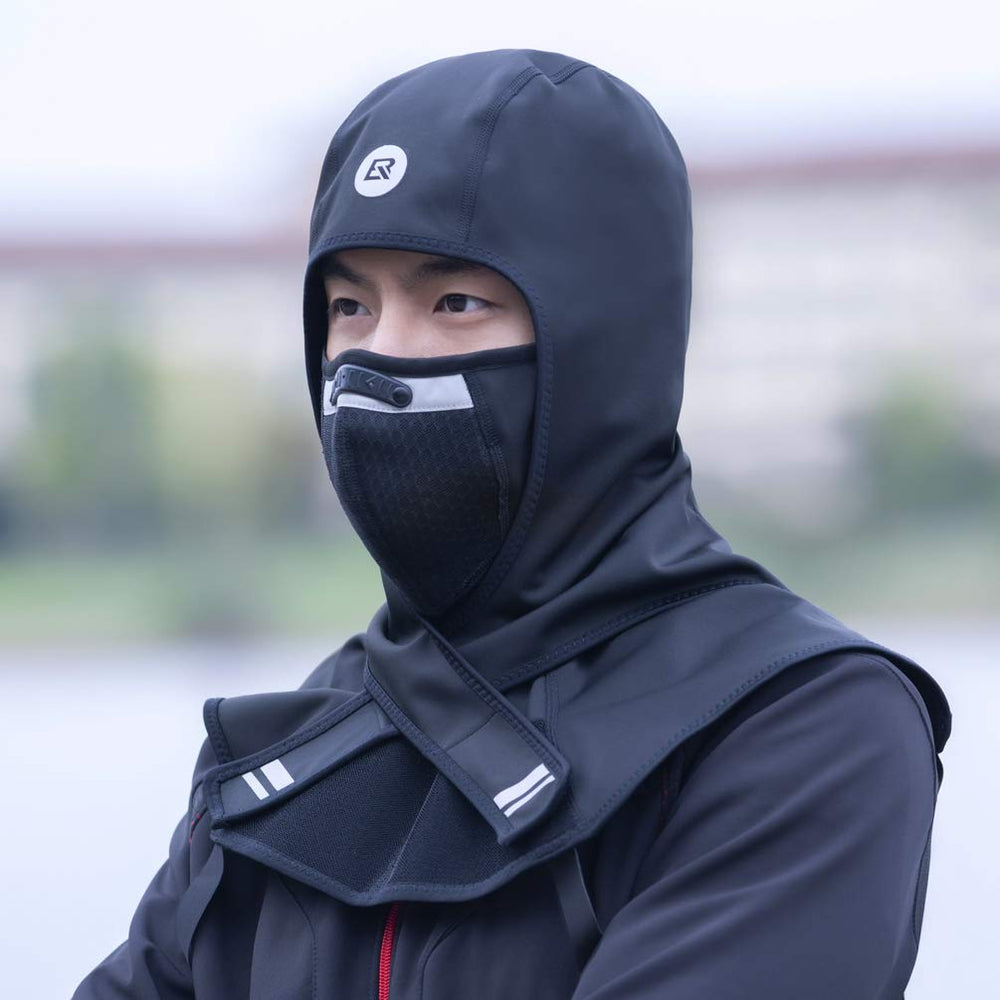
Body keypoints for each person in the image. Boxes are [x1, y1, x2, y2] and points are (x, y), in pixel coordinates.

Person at [73, 47, 952, 1000]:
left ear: (602, 344)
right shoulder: (297, 745)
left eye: (455, 302)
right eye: (349, 306)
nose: (377, 358)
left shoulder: (798, 726)